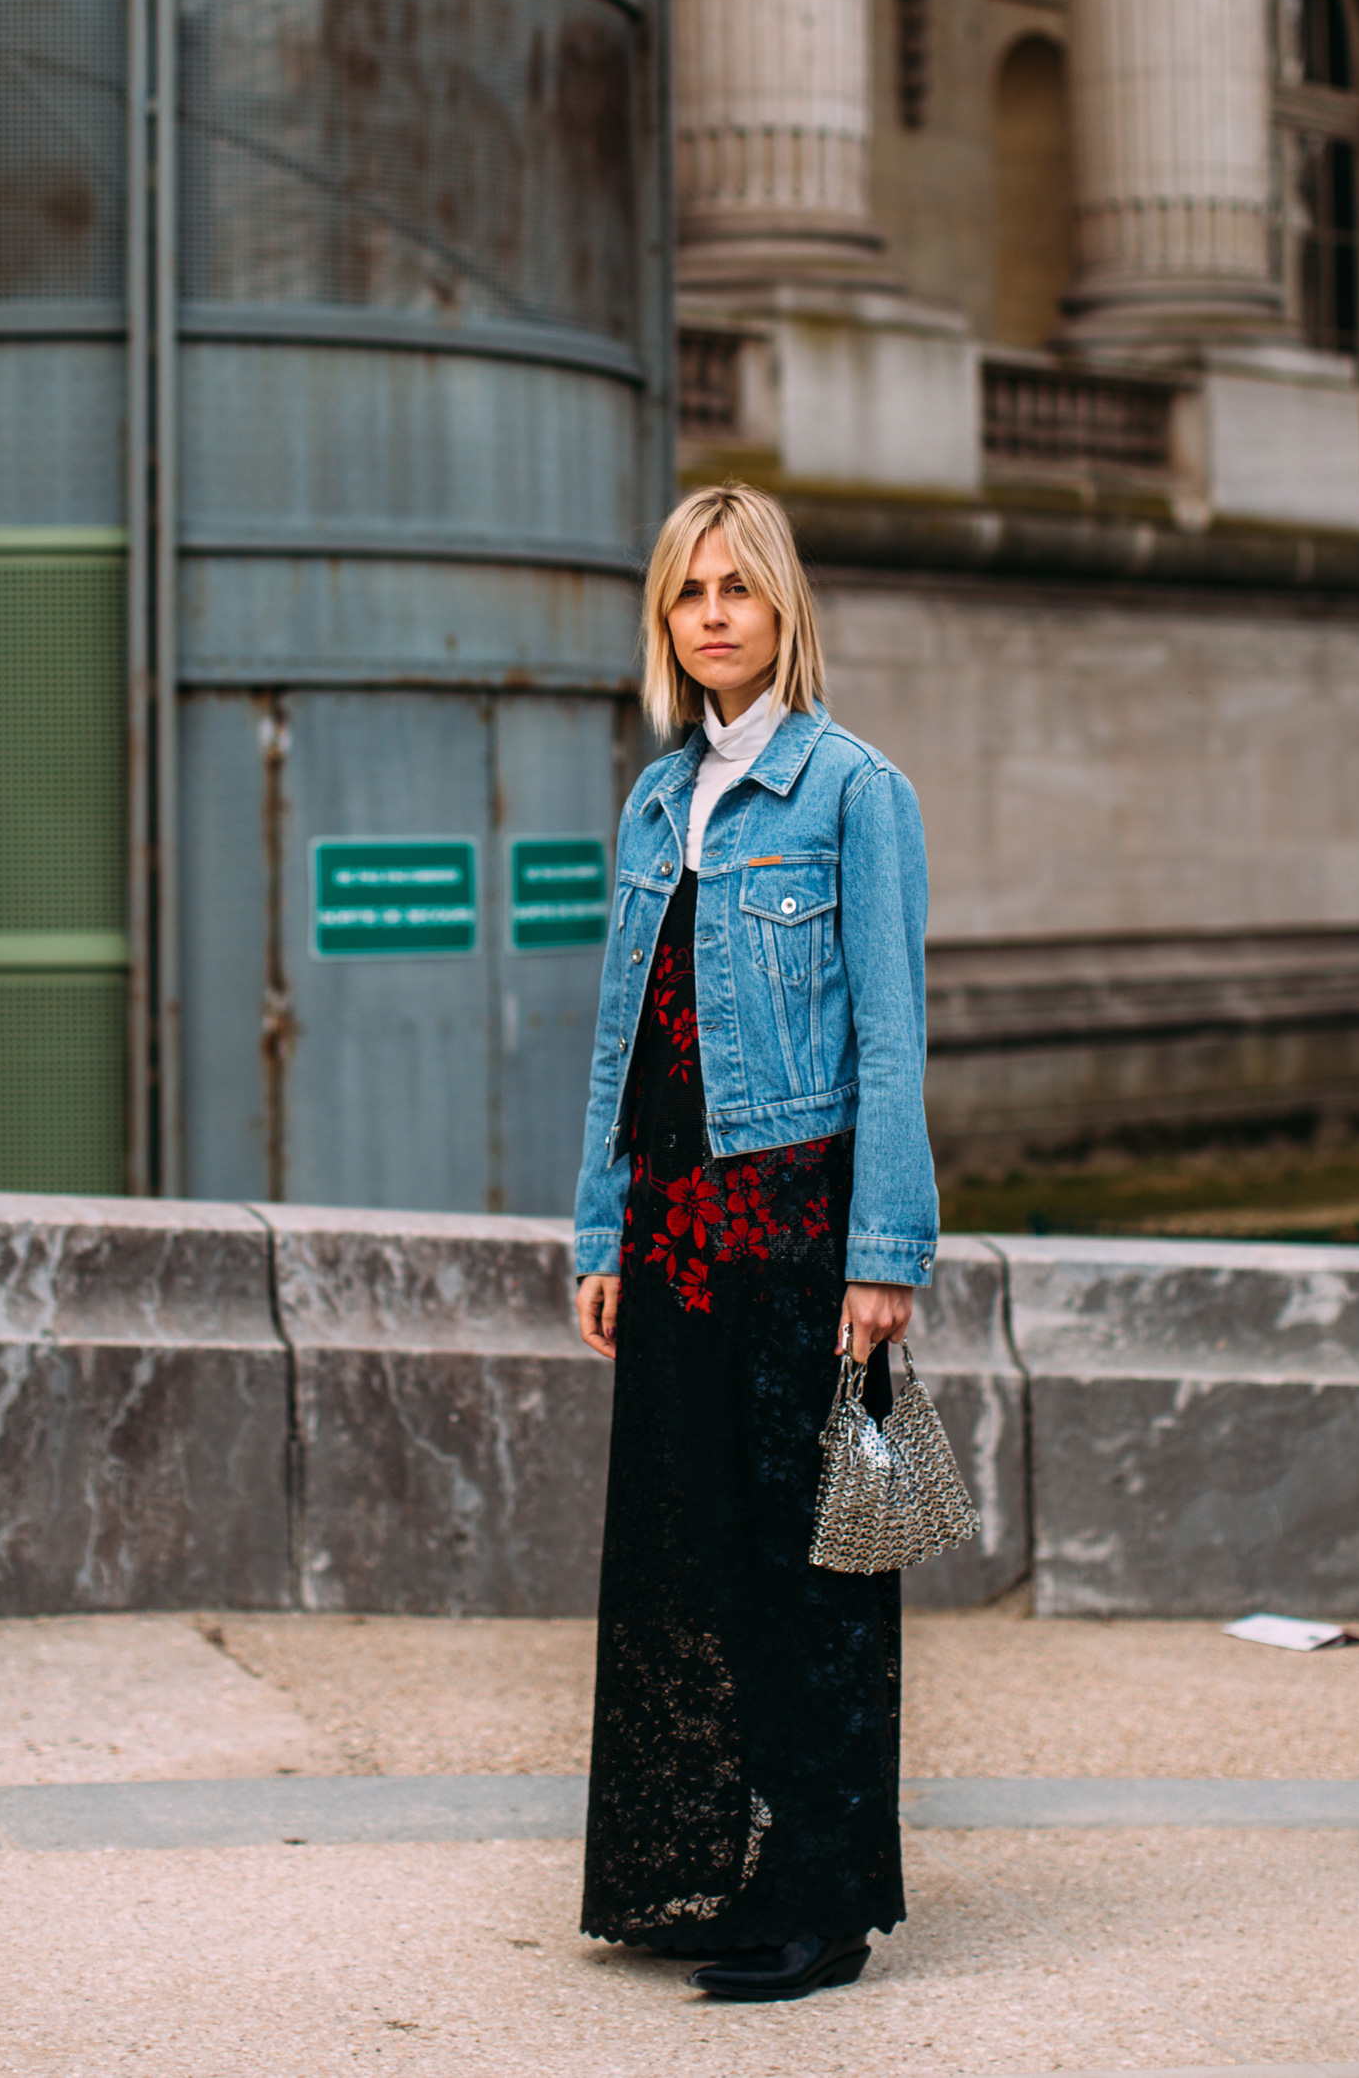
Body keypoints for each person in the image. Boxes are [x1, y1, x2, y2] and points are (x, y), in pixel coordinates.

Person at [573, 481, 938, 2003]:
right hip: (673, 1234)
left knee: (812, 1574)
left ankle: (824, 1899)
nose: (713, 614)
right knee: (697, 1558)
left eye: (737, 588)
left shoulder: (855, 792)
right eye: (688, 592)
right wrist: (600, 1226)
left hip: (794, 1231)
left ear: (784, 606)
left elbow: (892, 1041)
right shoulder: (657, 804)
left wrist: (885, 1251)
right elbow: (626, 1042)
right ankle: (714, 1872)